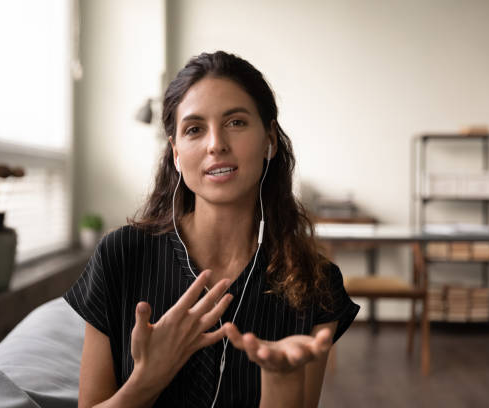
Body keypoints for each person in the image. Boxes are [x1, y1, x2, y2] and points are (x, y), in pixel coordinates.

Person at [64, 50, 360, 408]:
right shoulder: (121, 256)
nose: (216, 144)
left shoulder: (315, 283)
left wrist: (281, 380)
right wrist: (147, 379)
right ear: (175, 152)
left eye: (235, 122)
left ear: (269, 140)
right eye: (194, 129)